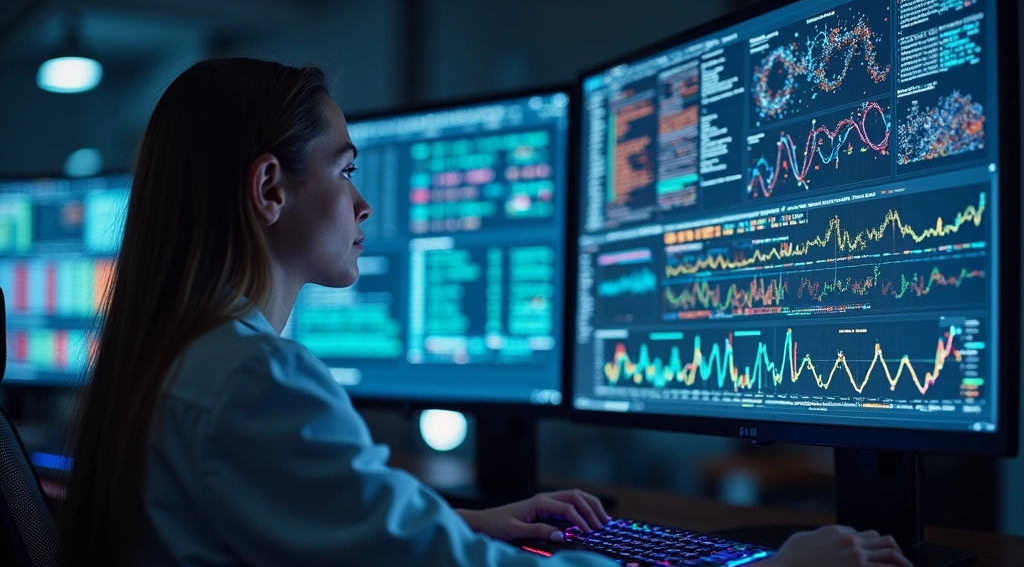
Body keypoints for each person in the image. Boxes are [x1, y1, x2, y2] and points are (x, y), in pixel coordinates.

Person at [59, 58, 912, 567]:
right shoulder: (250, 379)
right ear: (270, 188)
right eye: (346, 169)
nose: (363, 207)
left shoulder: (173, 360)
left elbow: (289, 523)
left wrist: (452, 523)